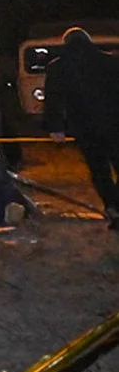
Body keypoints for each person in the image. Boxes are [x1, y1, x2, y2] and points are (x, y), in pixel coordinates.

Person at [45, 27, 119, 228]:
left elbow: (53, 100)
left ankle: (112, 205)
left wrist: (56, 128)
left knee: (99, 170)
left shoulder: (58, 67)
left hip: (85, 127)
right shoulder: (111, 61)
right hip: (114, 124)